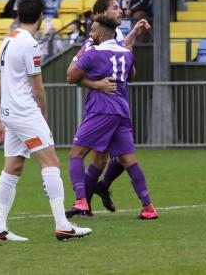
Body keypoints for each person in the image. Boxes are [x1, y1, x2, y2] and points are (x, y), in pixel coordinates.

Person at [0, 0, 92, 242]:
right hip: (25, 113)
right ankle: (62, 225)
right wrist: (42, 117)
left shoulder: (7, 40)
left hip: (9, 113)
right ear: (40, 17)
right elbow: (38, 87)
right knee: (51, 163)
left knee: (12, 167)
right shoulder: (30, 44)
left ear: (17, 15)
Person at [66, 14, 158, 220]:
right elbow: (131, 76)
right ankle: (148, 207)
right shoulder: (127, 54)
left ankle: (81, 201)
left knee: (76, 154)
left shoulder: (92, 53)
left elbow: (71, 77)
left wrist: (90, 73)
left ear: (99, 34)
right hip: (122, 110)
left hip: (101, 109)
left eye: (92, 31)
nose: (90, 34)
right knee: (128, 160)